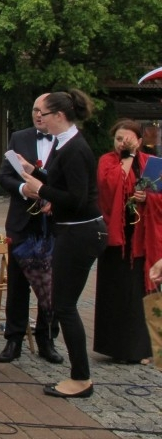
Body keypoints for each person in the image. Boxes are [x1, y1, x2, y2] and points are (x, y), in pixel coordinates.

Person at [19, 89, 107, 399]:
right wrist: (36, 172)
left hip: (81, 232)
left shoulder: (76, 148)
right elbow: (62, 183)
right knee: (63, 305)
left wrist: (41, 188)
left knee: (65, 306)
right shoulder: (63, 144)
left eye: (42, 111)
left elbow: (78, 199)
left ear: (59, 115)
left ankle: (81, 378)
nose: (38, 116)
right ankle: (79, 375)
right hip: (70, 230)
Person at [0, 93, 64, 364]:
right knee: (17, 282)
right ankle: (14, 340)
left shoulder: (66, 141)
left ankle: (47, 339)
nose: (37, 115)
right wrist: (25, 189)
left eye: (43, 110)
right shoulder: (20, 138)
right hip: (22, 222)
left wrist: (52, 197)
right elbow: (4, 176)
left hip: (54, 224)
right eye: (34, 110)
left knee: (52, 286)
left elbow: (71, 182)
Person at [93, 119, 159, 364]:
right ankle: (115, 347)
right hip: (116, 237)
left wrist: (147, 197)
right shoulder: (107, 161)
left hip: (141, 235)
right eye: (119, 139)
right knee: (116, 291)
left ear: (140, 142)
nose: (122, 143)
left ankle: (143, 349)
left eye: (128, 140)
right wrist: (126, 157)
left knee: (139, 292)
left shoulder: (149, 164)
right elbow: (110, 186)